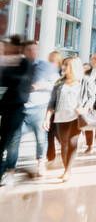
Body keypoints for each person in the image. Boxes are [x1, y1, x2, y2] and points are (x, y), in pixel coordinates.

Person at [44, 56, 96, 182]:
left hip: (75, 117)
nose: (64, 67)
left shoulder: (84, 81)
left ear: (73, 67)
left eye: (66, 65)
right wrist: (47, 118)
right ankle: (66, 168)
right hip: (60, 118)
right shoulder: (59, 83)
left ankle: (67, 171)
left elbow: (91, 97)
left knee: (73, 143)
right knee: (64, 144)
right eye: (64, 65)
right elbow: (52, 102)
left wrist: (84, 108)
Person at [15, 40, 57, 179]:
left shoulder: (46, 66)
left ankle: (41, 163)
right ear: (24, 51)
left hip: (39, 108)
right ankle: (10, 166)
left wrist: (42, 85)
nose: (32, 52)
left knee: (41, 138)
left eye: (35, 49)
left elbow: (56, 85)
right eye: (29, 50)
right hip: (21, 109)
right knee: (14, 138)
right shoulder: (18, 66)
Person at [0, 36, 32, 185]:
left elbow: (15, 82)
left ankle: (9, 171)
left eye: (7, 47)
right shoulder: (9, 62)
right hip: (6, 106)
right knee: (7, 140)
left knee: (10, 141)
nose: (5, 49)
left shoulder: (23, 63)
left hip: (15, 108)